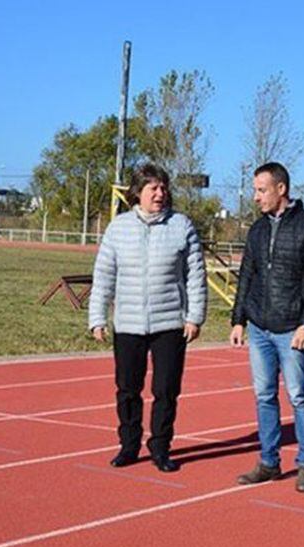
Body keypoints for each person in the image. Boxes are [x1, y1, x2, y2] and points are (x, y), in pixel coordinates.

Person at [88, 163, 207, 473]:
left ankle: (161, 447)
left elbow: (196, 274)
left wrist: (195, 316)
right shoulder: (118, 228)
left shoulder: (181, 226)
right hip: (127, 324)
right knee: (128, 388)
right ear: (137, 192)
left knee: (166, 390)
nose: (160, 192)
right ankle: (128, 445)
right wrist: (97, 317)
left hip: (170, 324)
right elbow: (103, 274)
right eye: (153, 187)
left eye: (163, 187)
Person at [229, 162, 304, 492]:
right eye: (255, 190)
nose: (256, 197)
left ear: (281, 189)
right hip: (259, 326)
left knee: (299, 396)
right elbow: (247, 274)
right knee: (264, 395)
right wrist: (238, 319)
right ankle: (269, 462)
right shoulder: (257, 230)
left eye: (261, 190)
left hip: (292, 329)